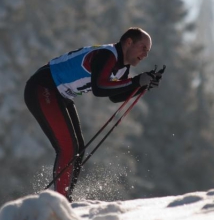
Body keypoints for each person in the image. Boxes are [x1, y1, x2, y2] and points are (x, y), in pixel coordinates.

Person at [24, 27, 162, 202]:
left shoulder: (121, 66)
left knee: (78, 149)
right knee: (68, 147)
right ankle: (60, 200)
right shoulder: (108, 55)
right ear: (128, 42)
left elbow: (114, 95)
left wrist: (141, 85)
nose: (145, 55)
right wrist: (136, 81)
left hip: (60, 94)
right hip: (43, 88)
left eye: (148, 52)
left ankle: (65, 197)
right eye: (143, 48)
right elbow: (100, 87)